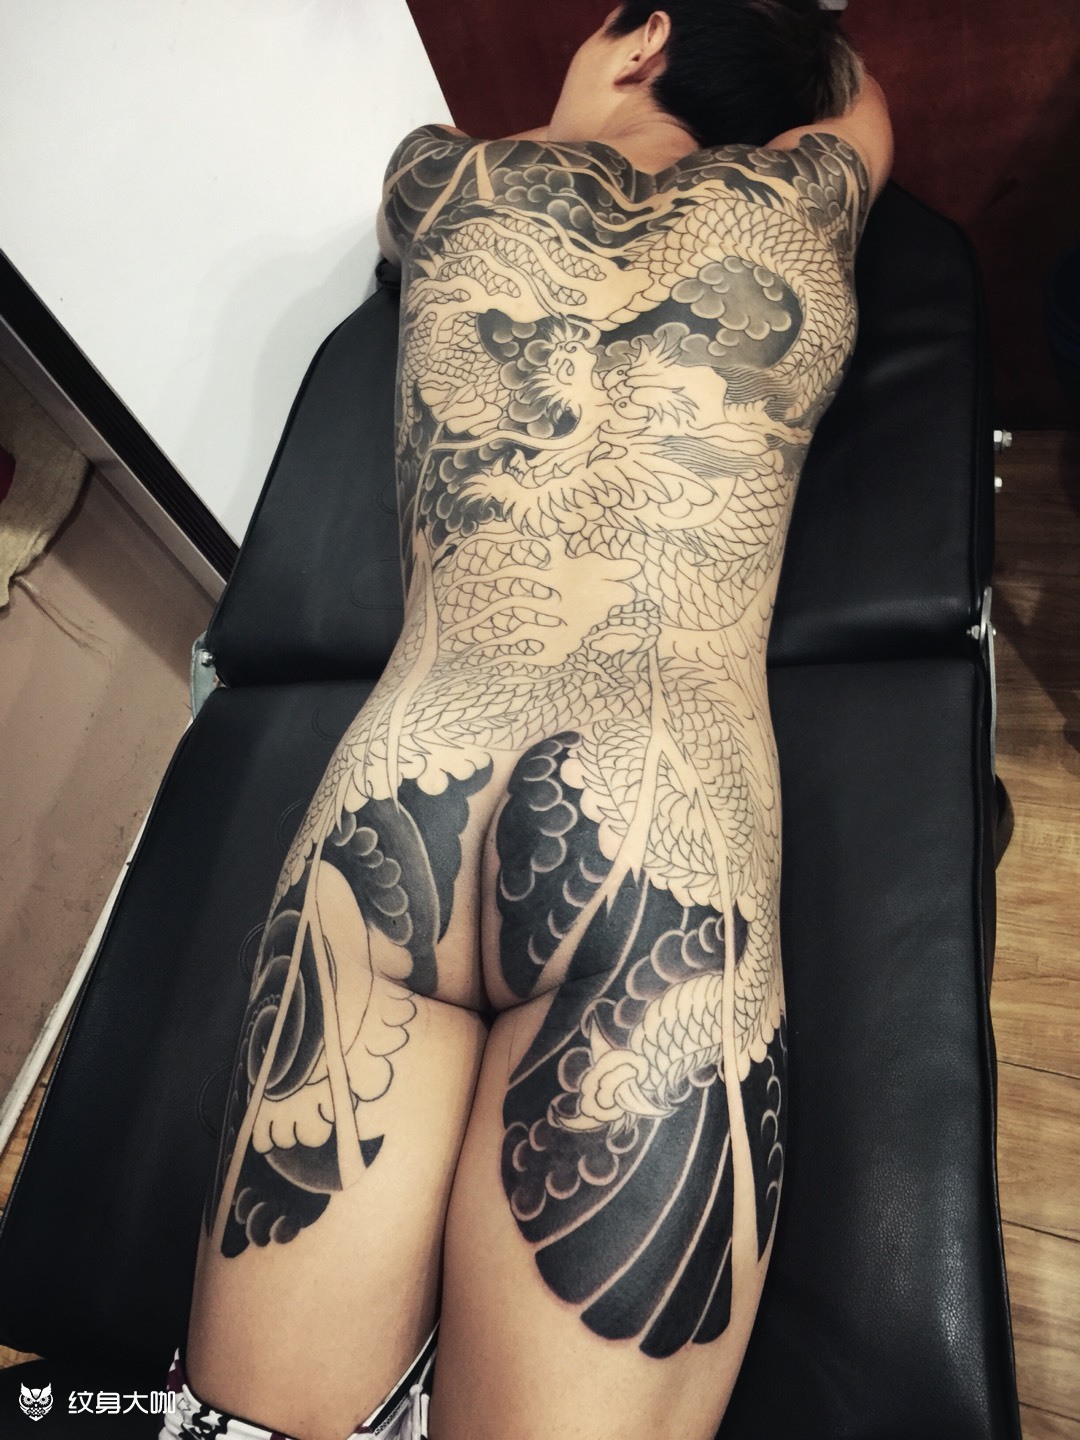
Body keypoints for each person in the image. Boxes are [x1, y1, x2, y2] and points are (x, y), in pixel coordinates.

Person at [166, 4, 892, 1437]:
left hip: (399, 796)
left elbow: (469, 199)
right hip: (655, 817)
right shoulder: (802, 197)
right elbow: (869, 111)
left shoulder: (440, 176)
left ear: (638, 38)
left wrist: (584, 111)